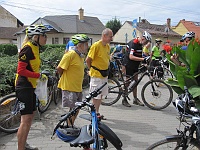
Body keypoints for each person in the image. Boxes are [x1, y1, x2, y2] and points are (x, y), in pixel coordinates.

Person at [15, 24, 49, 150]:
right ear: (36, 37)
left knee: (30, 117)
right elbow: (21, 70)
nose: (46, 38)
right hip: (24, 87)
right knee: (26, 119)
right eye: (44, 35)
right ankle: (21, 148)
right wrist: (38, 75)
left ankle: (24, 144)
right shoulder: (27, 49)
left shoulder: (35, 48)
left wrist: (38, 76)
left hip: (30, 87)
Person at [57, 34, 90, 126]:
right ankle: (69, 126)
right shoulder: (70, 54)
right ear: (79, 45)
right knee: (74, 109)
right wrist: (66, 78)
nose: (87, 46)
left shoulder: (80, 56)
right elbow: (59, 68)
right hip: (69, 87)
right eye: (85, 44)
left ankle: (70, 124)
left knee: (76, 108)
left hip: (77, 87)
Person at [85, 28, 113, 118]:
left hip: (104, 75)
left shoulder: (107, 46)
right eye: (110, 37)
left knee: (100, 95)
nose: (111, 39)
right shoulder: (96, 46)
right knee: (95, 96)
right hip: (96, 75)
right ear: (104, 36)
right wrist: (91, 70)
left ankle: (97, 112)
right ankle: (94, 114)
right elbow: (88, 60)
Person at [121, 31, 151, 107]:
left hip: (135, 65)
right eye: (146, 42)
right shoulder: (134, 43)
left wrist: (143, 63)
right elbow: (131, 57)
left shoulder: (140, 44)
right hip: (128, 64)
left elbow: (138, 55)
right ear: (143, 38)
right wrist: (142, 59)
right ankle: (124, 99)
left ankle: (135, 99)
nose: (146, 44)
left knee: (135, 82)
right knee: (127, 82)